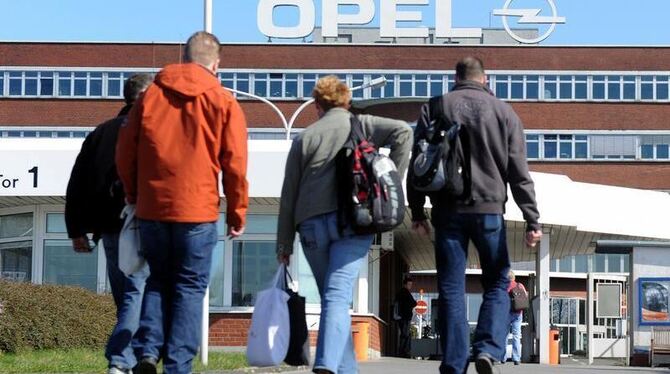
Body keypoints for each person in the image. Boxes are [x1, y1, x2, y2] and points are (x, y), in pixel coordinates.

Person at [116, 31, 249, 374]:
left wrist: (134, 194)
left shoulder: (150, 97)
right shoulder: (223, 100)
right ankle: (177, 366)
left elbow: (125, 151)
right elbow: (234, 163)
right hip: (198, 211)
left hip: (153, 208)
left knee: (158, 279)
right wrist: (237, 212)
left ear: (183, 57)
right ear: (216, 64)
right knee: (190, 287)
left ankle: (147, 352)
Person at [407, 57, 543, 374]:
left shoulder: (435, 106)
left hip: (447, 211)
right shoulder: (504, 112)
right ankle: (486, 349)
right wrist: (531, 219)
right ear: (486, 79)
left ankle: (454, 364)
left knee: (452, 288)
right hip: (489, 210)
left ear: (455, 78)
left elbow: (417, 163)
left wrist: (417, 211)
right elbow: (519, 171)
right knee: (497, 282)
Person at [276, 75, 412, 374]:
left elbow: (289, 193)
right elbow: (403, 132)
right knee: (337, 297)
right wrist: (390, 180)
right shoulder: (360, 124)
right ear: (346, 101)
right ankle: (326, 364)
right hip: (353, 221)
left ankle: (346, 369)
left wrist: (284, 243)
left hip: (310, 225)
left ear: (317, 105)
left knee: (331, 298)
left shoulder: (305, 137)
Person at [65, 73, 153, 374]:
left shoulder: (100, 133)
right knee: (135, 292)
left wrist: (76, 229)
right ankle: (121, 359)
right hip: (139, 224)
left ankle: (136, 358)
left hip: (108, 229)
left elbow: (76, 183)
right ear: (145, 97)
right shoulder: (147, 129)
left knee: (126, 296)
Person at [505, 270, 526, 365]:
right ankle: (516, 358)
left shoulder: (505, 285)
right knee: (516, 335)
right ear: (514, 277)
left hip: (507, 313)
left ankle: (503, 357)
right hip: (518, 312)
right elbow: (525, 296)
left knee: (505, 335)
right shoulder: (520, 285)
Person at [394, 276, 418, 358]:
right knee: (405, 334)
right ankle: (402, 352)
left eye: (411, 284)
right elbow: (414, 303)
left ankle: (402, 351)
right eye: (409, 284)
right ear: (405, 284)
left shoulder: (400, 292)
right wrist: (412, 304)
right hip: (405, 317)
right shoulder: (406, 293)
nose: (410, 286)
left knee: (404, 334)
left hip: (401, 317)